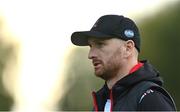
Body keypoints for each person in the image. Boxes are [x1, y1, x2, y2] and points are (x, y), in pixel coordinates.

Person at [71, 15, 176, 111]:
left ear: (128, 48)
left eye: (100, 44)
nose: (90, 54)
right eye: (91, 46)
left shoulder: (150, 98)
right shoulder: (101, 103)